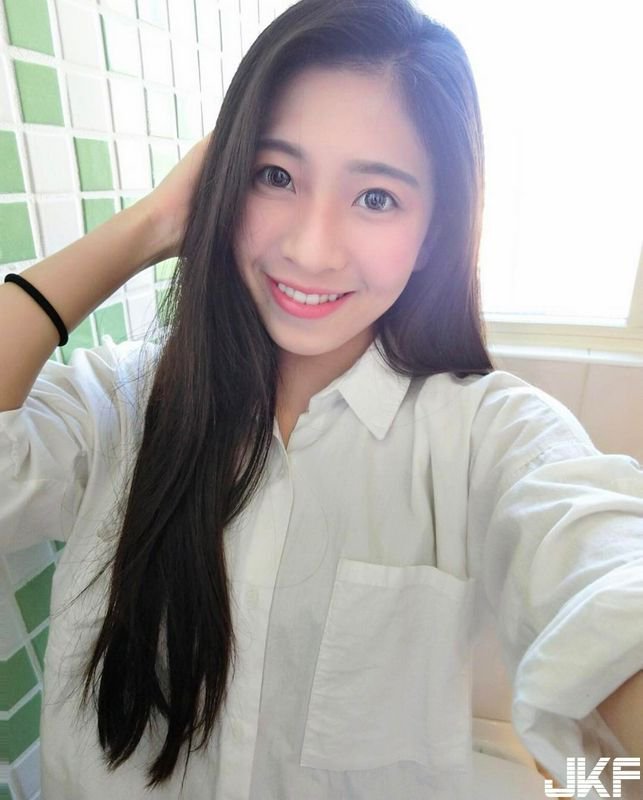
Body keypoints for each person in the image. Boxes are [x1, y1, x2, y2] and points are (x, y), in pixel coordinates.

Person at [1, 0, 641, 798]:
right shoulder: (120, 406)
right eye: (274, 176)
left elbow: (605, 575)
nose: (310, 248)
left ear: (434, 232)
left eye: (376, 197)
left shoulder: (488, 436)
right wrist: (152, 225)